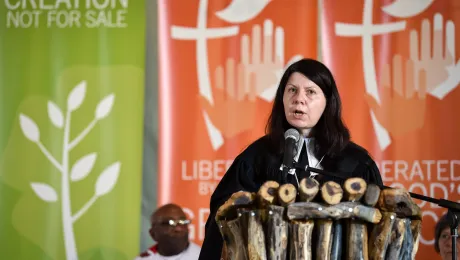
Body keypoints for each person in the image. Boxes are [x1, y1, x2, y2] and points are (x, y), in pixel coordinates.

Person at [198, 58, 384, 259]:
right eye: (292, 90)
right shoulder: (257, 157)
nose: (299, 99)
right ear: (283, 99)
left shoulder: (356, 162)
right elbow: (224, 214)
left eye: (310, 92)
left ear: (328, 102)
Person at [135, 203, 201, 260]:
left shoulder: (203, 256)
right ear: (153, 234)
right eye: (170, 223)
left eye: (182, 221)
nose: (178, 229)